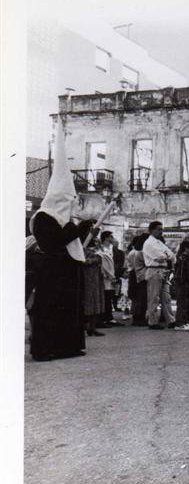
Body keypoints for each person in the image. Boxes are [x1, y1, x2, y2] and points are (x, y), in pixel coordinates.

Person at [27, 130, 92, 361]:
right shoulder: (44, 217)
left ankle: (68, 346)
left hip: (66, 272)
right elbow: (53, 242)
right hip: (50, 272)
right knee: (49, 309)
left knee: (69, 309)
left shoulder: (64, 219)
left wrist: (81, 228)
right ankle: (43, 348)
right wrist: (77, 228)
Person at [143, 221, 181, 330]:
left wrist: (167, 256)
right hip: (154, 270)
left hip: (163, 270)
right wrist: (167, 255)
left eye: (161, 229)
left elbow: (172, 255)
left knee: (166, 297)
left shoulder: (159, 243)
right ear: (152, 230)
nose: (161, 231)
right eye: (158, 229)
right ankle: (152, 321)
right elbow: (159, 256)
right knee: (154, 297)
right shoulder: (148, 243)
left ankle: (171, 320)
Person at [82, 234, 106, 337]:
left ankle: (93, 326)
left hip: (96, 276)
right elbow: (83, 261)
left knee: (96, 300)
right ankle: (86, 325)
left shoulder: (97, 248)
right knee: (88, 301)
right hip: (87, 277)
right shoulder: (83, 246)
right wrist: (93, 260)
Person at [97, 231, 119, 328]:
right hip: (106, 277)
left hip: (110, 276)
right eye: (111, 236)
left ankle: (109, 317)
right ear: (106, 238)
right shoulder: (101, 249)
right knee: (106, 297)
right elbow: (103, 265)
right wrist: (110, 276)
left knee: (109, 297)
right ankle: (106, 318)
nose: (112, 238)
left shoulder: (109, 249)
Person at [129, 234, 149, 326]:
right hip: (137, 276)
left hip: (136, 275)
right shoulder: (138, 252)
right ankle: (138, 318)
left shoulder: (136, 252)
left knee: (139, 297)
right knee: (139, 297)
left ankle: (138, 317)